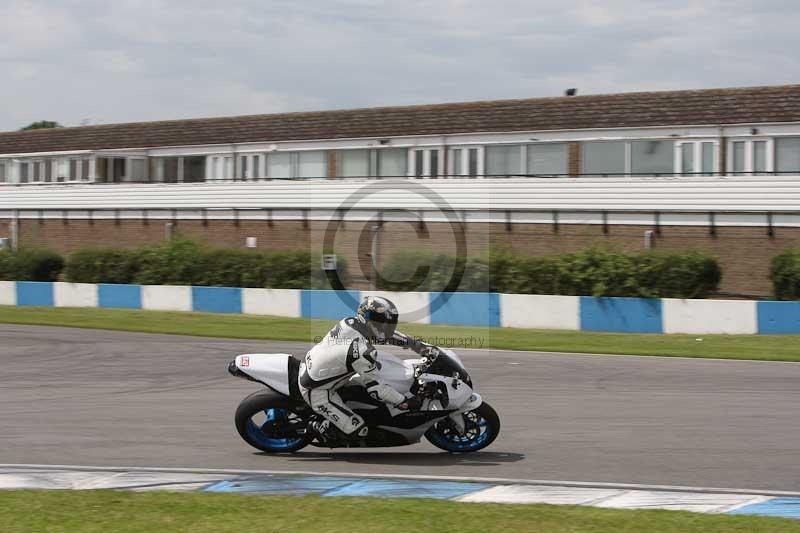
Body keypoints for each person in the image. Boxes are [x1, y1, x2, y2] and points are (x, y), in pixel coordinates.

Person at [298, 295, 435, 441]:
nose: (384, 328)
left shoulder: (350, 322)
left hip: (315, 367)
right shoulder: (362, 352)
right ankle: (317, 426)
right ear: (367, 320)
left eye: (387, 324)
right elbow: (377, 390)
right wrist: (404, 401)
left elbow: (386, 335)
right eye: (380, 323)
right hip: (318, 390)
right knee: (359, 430)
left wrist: (416, 345)